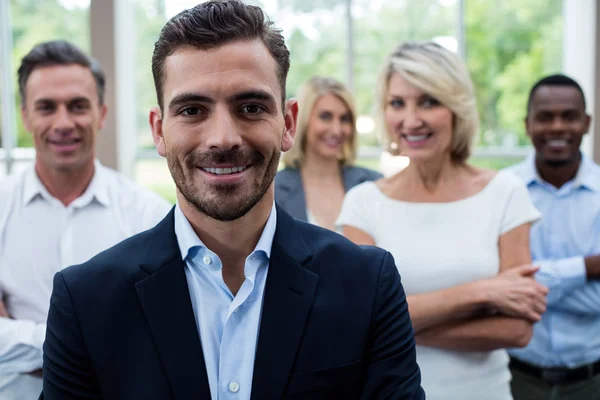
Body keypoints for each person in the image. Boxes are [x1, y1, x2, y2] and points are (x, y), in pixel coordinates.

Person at [40, 2, 425, 399]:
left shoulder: (366, 284)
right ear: (159, 130)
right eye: (192, 110)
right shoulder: (86, 301)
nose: (223, 138)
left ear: (288, 124)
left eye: (251, 108)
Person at [337, 41, 548, 400]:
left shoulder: (505, 193)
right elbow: (355, 323)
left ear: (456, 107)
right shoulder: (362, 204)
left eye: (429, 101)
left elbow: (516, 330)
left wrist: (387, 324)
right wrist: (481, 292)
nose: (411, 120)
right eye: (397, 103)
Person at [0, 40, 171, 399]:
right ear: (26, 116)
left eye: (78, 106)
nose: (63, 123)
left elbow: (158, 337)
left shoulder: (148, 216)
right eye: (46, 107)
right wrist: (95, 342)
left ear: (101, 114)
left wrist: (19, 337)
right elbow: (125, 339)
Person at [506, 74, 600, 400]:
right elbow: (498, 284)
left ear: (586, 123)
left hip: (591, 382)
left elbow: (517, 289)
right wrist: (587, 269)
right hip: (515, 379)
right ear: (527, 124)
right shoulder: (503, 191)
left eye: (570, 116)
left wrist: (529, 284)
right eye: (545, 117)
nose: (558, 127)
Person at [275, 76, 381, 230]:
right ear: (303, 120)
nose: (336, 130)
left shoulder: (374, 183)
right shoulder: (274, 190)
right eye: (326, 117)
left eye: (344, 119)